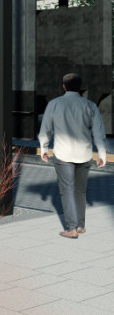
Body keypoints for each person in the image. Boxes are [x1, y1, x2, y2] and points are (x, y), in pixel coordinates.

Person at [38, 73, 107, 239]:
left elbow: (45, 129)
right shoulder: (90, 105)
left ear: (64, 86)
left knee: (67, 190)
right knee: (80, 191)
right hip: (84, 154)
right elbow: (99, 132)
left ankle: (71, 228)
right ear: (80, 87)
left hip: (63, 154)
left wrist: (44, 148)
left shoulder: (54, 104)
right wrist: (102, 153)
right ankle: (81, 226)